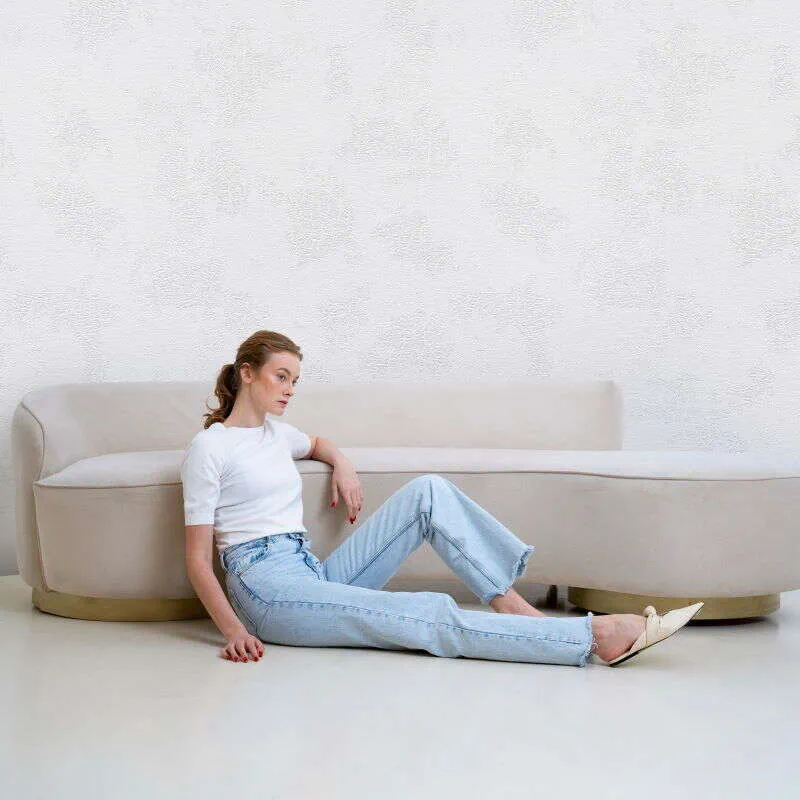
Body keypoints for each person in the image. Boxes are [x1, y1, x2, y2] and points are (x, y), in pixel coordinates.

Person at [181, 330, 702, 668]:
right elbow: (198, 561)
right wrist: (233, 631)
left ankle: (509, 601)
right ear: (246, 372)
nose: (290, 389)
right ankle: (590, 639)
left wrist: (343, 465)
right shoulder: (211, 447)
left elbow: (317, 443)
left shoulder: (278, 434)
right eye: (281, 376)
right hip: (267, 592)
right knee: (427, 611)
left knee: (427, 491)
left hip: (308, 571)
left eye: (295, 380)